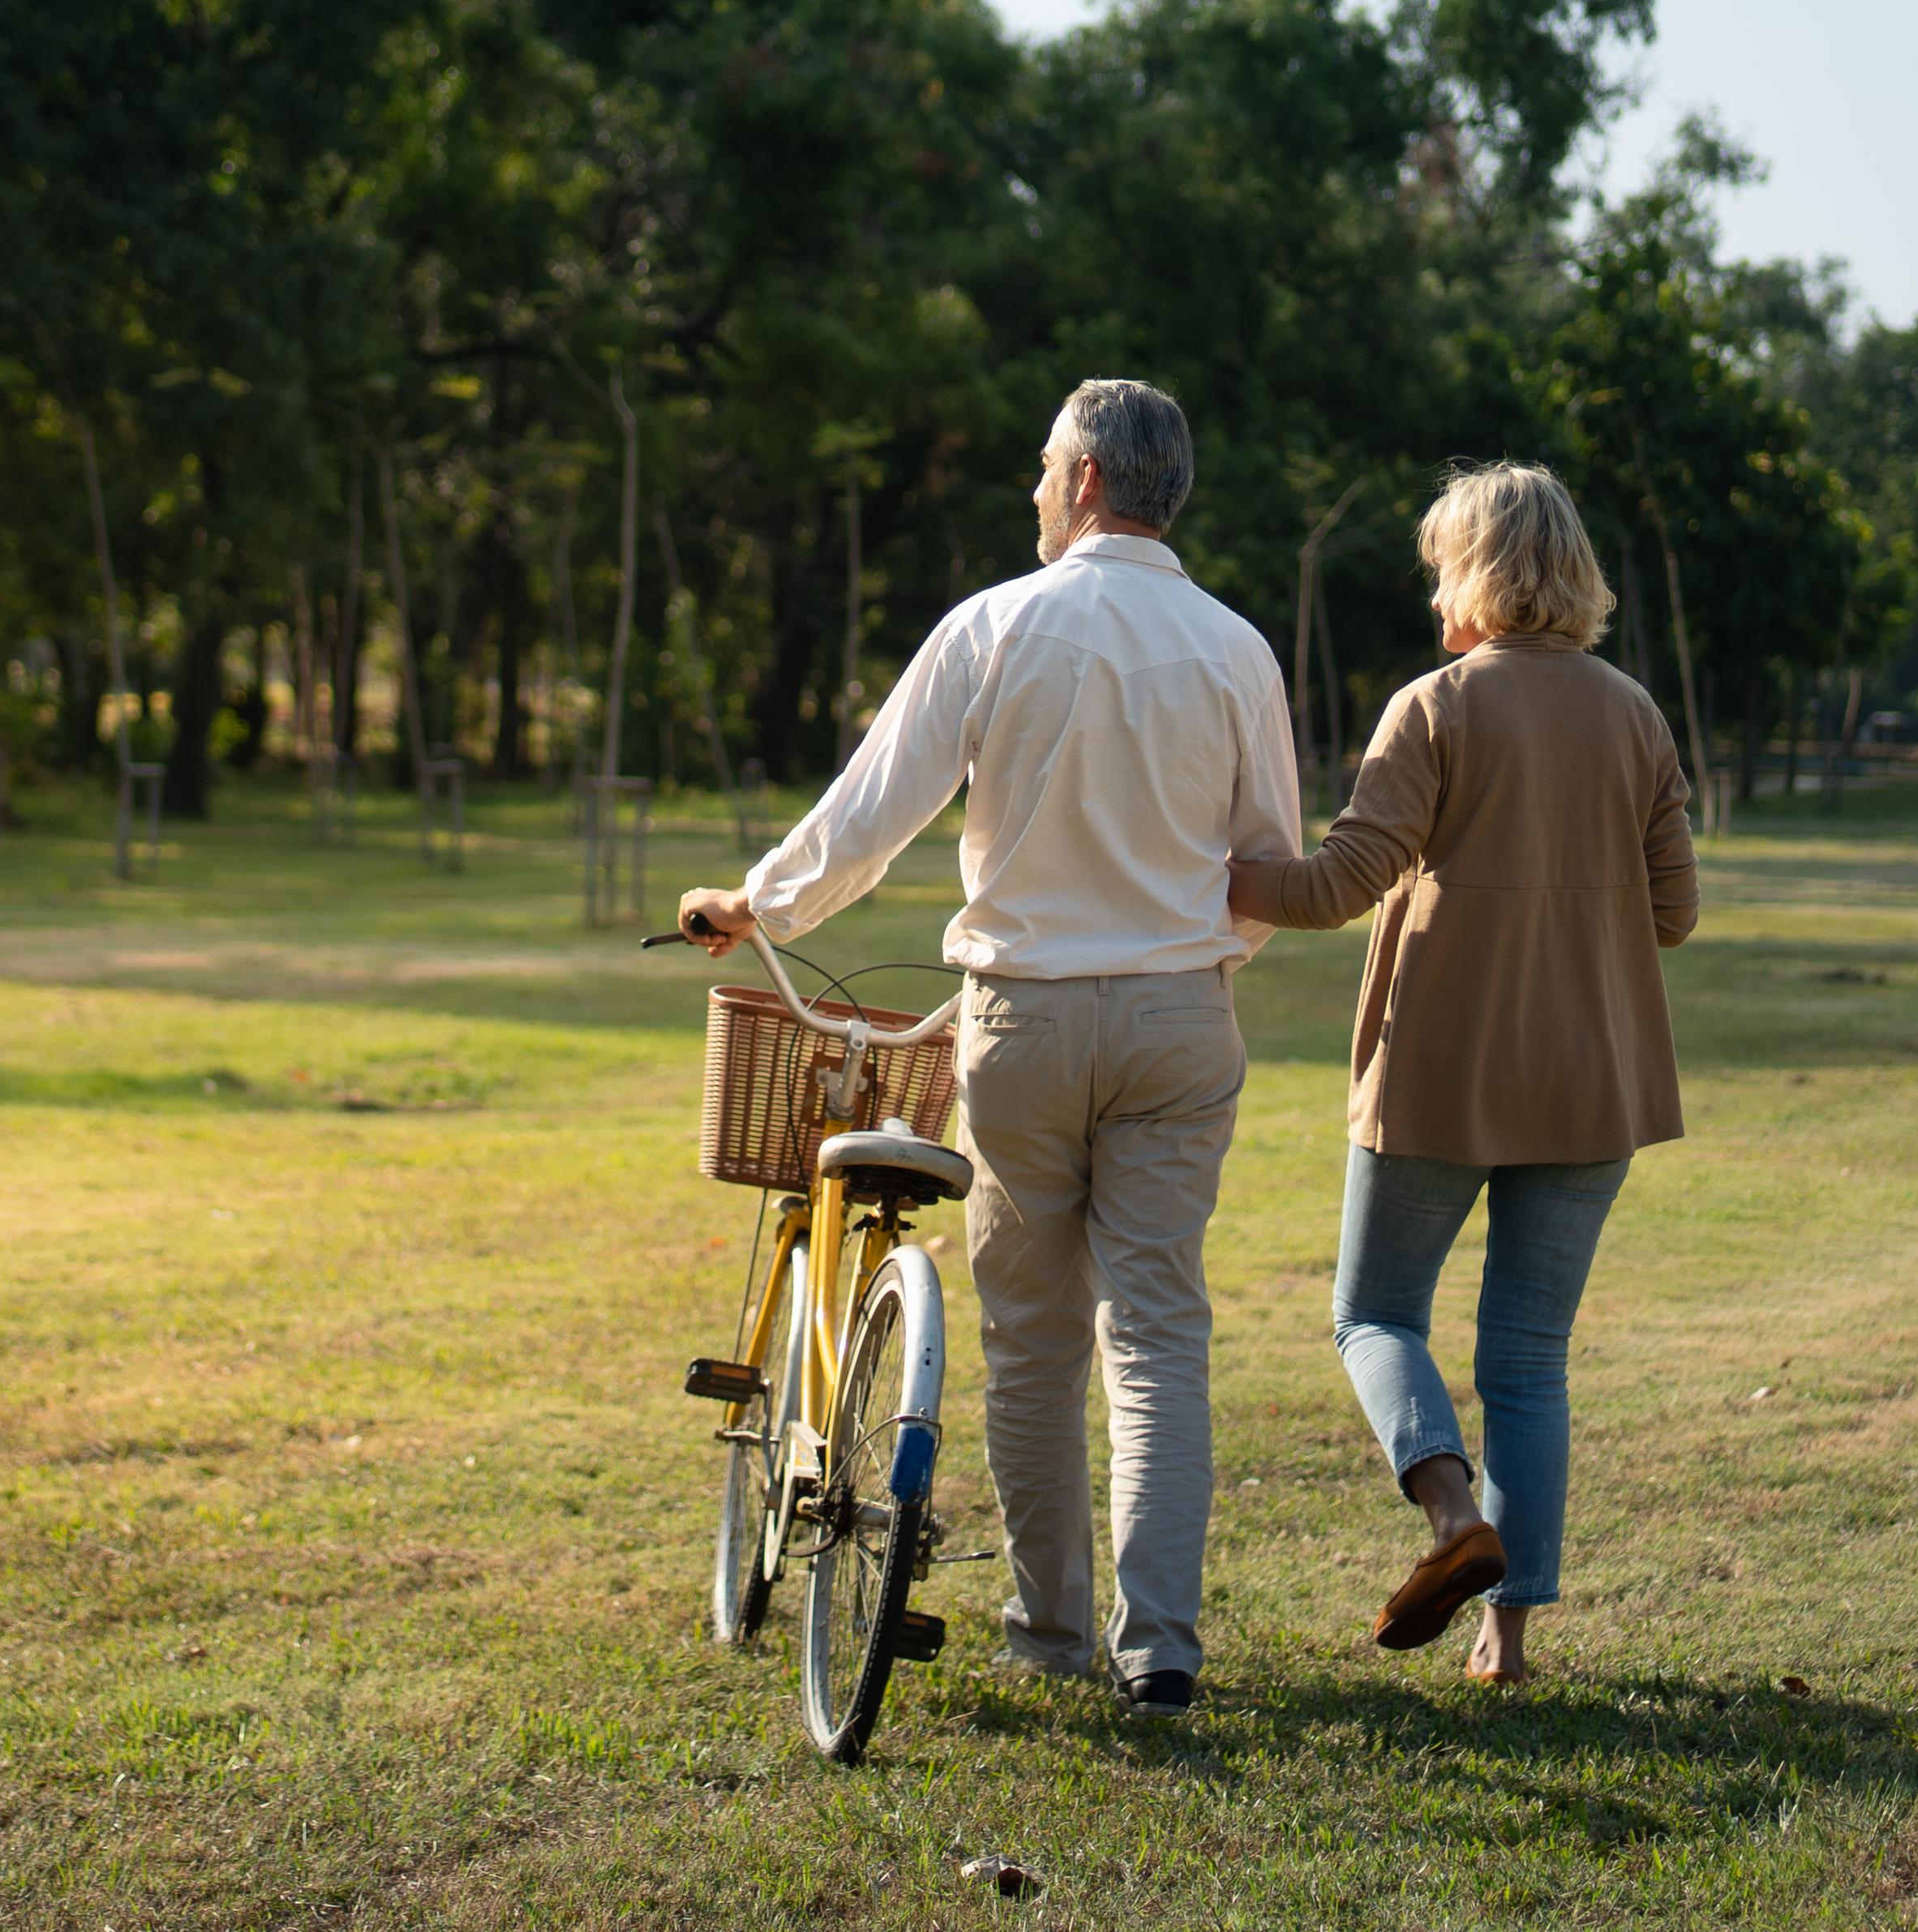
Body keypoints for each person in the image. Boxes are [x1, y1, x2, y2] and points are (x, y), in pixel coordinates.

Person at [679, 378, 1299, 1717]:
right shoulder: (1239, 648)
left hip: (1022, 1021)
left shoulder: (997, 626)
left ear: (1083, 480)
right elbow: (1268, 871)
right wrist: (1192, 959)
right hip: (1181, 1017)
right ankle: (1164, 1649)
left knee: (1032, 1340)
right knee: (1158, 1331)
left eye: (1039, 469)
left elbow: (870, 815)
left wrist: (758, 905)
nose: (1031, 490)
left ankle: (1050, 1630)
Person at [1228, 462, 1697, 1686]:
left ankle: (1451, 1521)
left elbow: (1336, 885)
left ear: (1479, 576)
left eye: (1441, 565)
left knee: (1373, 1313)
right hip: (1593, 1081)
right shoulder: (1638, 715)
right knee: (1529, 1359)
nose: (1432, 589)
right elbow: (1677, 913)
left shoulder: (1433, 708)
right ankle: (1507, 1642)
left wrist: (1215, 873)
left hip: (1440, 1073)